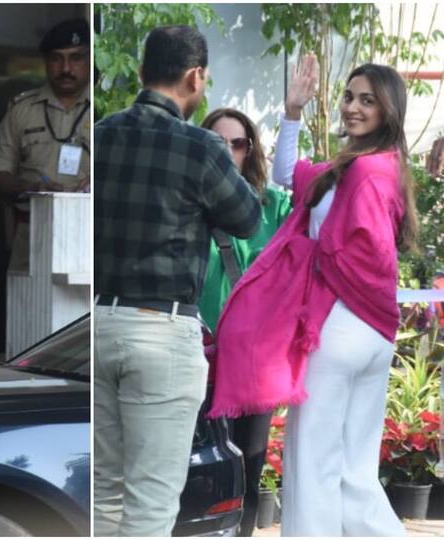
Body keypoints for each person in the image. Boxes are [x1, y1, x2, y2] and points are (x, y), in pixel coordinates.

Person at [208, 55, 417, 536]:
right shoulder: (379, 166)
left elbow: (362, 251)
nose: (352, 107)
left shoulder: (364, 172)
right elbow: (289, 175)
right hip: (376, 332)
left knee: (312, 463)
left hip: (341, 326)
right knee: (353, 469)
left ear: (389, 108)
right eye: (349, 96)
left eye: (368, 100)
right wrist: (293, 110)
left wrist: (311, 256)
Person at [93, 26, 262, 537]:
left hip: (98, 322)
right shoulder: (201, 147)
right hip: (162, 330)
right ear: (195, 77)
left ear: (143, 72)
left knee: (102, 495)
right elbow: (248, 219)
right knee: (151, 502)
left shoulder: (100, 134)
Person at [198, 108, 292, 537]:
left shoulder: (272, 206)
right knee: (203, 468)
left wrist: (292, 116)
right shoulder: (191, 203)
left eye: (238, 144)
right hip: (199, 353)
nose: (230, 152)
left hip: (253, 357)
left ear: (250, 149)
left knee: (249, 461)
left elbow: (310, 197)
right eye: (219, 143)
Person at [0, 18, 90, 271]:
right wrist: (28, 187)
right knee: (28, 306)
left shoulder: (103, 112)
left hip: (88, 231)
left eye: (76, 58)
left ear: (89, 60)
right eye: (57, 58)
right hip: (32, 229)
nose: (66, 68)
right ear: (46, 63)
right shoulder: (22, 110)